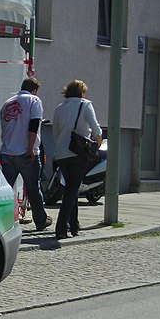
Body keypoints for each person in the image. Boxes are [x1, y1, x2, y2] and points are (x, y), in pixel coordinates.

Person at [51, 79, 103, 239]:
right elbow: (96, 129)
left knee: (70, 189)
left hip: (61, 154)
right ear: (82, 92)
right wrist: (97, 143)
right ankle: (61, 228)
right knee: (71, 191)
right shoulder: (85, 105)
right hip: (78, 154)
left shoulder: (59, 108)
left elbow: (55, 132)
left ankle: (74, 225)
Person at [0, 76, 51, 231]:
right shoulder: (34, 101)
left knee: (6, 190)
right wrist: (30, 149)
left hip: (7, 151)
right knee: (33, 188)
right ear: (34, 90)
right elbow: (33, 126)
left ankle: (2, 220)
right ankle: (41, 221)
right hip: (25, 152)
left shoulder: (8, 103)